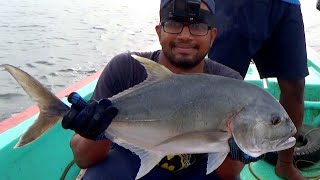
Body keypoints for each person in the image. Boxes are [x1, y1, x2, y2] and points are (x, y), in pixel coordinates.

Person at [62, 0, 261, 179]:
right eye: (174, 24)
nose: (185, 36)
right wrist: (95, 131)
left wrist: (240, 149)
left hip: (199, 172)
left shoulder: (229, 83)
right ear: (159, 31)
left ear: (212, 35)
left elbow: (227, 174)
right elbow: (83, 159)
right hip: (130, 162)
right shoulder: (126, 68)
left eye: (198, 26)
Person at [208, 0, 309, 179]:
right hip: (235, 6)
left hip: (287, 5)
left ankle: (285, 163)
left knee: (295, 86)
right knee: (221, 88)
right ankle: (220, 168)